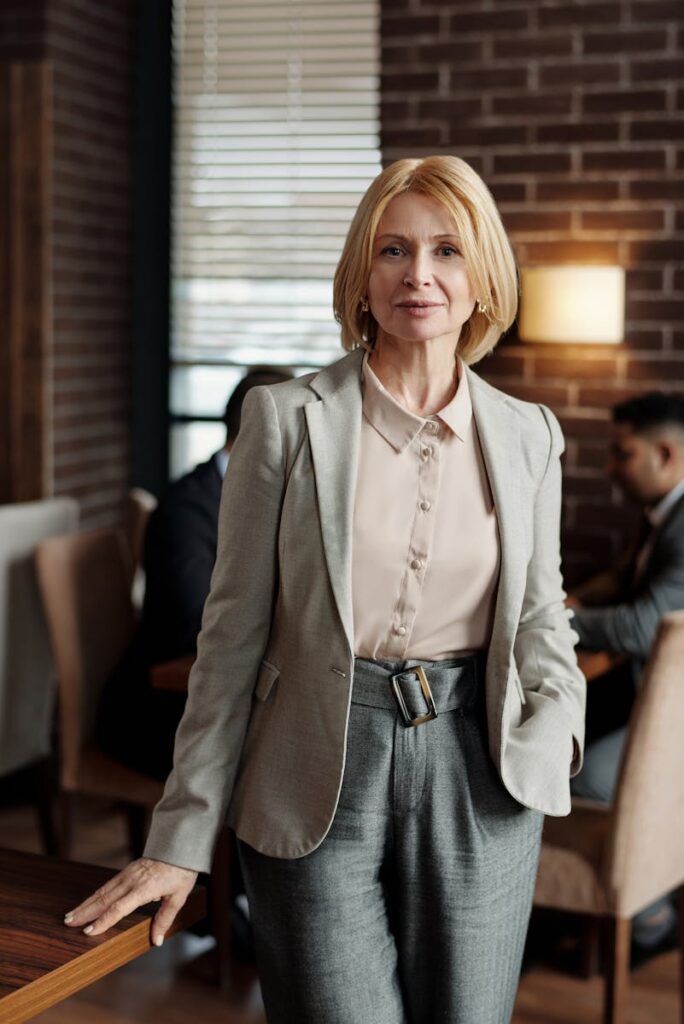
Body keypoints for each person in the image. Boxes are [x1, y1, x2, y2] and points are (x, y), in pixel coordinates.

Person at [64, 156, 585, 1023]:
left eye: (448, 250)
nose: (419, 274)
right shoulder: (285, 420)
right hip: (313, 767)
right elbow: (229, 643)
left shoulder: (530, 436)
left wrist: (553, 736)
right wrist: (181, 841)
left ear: (483, 277)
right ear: (361, 274)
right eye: (393, 250)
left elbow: (540, 617)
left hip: (482, 771)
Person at [97, 366, 293, 782]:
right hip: (158, 712)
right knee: (279, 768)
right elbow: (198, 625)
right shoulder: (185, 511)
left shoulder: (275, 500)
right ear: (264, 434)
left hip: (218, 702)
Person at [569, 393, 684, 951]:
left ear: (665, 453)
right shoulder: (662, 517)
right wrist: (571, 602)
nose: (609, 468)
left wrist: (555, 621)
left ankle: (648, 918)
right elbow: (622, 578)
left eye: (621, 454)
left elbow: (641, 627)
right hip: (645, 697)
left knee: (581, 777)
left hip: (673, 722)